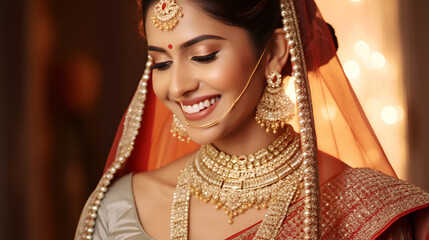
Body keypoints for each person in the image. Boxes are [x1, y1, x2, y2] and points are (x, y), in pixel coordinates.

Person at [75, 0, 429, 239]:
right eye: (161, 64)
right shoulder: (119, 208)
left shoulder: (363, 209)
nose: (178, 86)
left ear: (274, 52)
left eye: (203, 55)